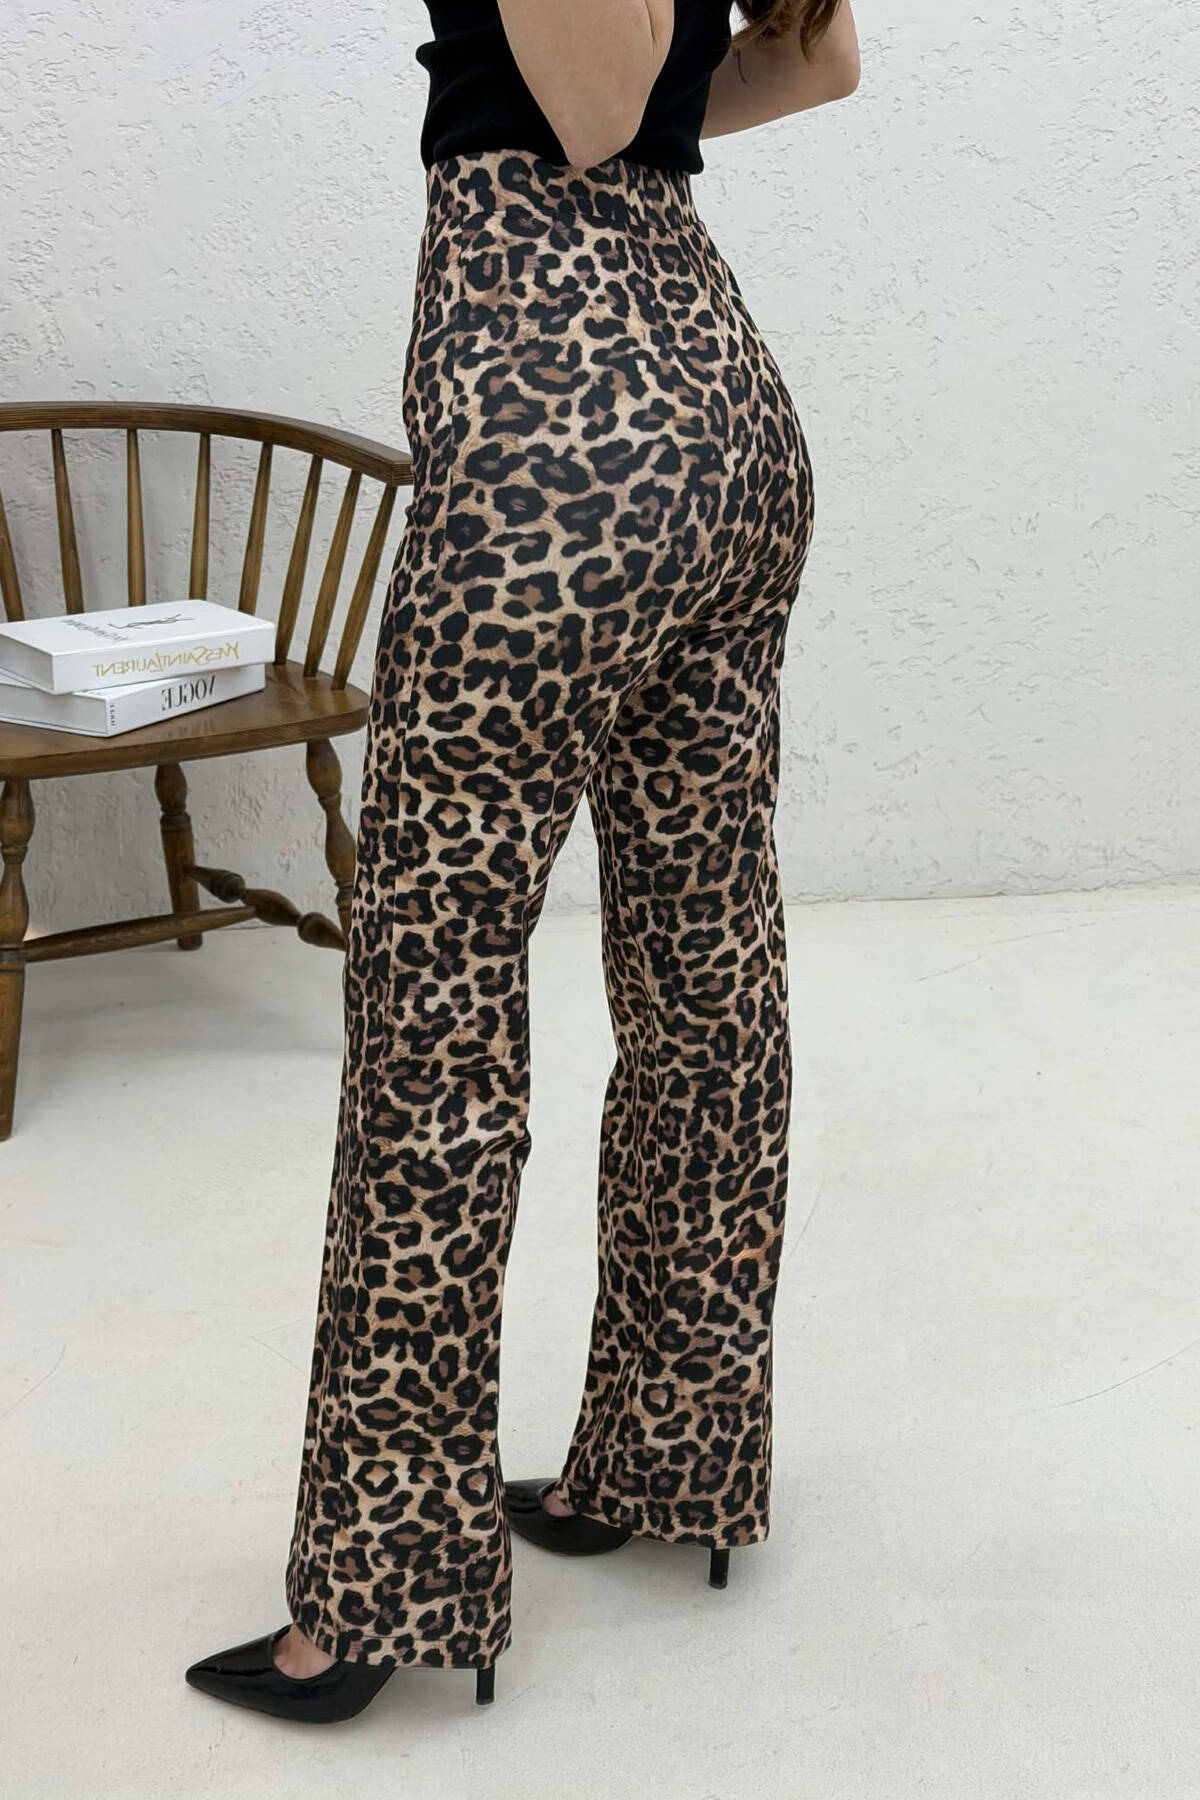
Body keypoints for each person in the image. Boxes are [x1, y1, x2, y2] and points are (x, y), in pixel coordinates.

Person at [186, 0, 860, 1724]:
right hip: (726, 418)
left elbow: (596, 102)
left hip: (562, 443)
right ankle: (669, 1457)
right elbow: (810, 59)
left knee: (435, 1005)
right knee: (709, 976)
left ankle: (380, 1585)